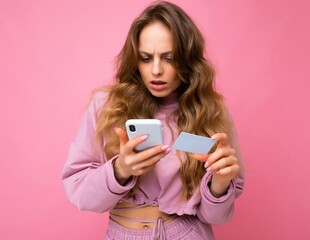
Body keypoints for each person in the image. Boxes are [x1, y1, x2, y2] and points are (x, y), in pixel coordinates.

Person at [61, 1, 244, 239]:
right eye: (146, 58)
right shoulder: (106, 105)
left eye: (169, 58)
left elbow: (216, 217)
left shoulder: (211, 110)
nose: (156, 70)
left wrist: (219, 183)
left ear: (188, 60)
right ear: (134, 59)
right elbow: (79, 193)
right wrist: (121, 169)